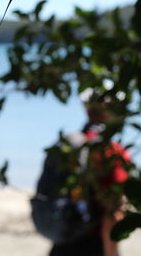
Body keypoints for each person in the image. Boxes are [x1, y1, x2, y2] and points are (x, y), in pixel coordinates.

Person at [34, 88, 129, 256]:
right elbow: (113, 215)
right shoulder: (110, 152)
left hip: (62, 244)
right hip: (93, 245)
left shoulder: (68, 145)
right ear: (107, 106)